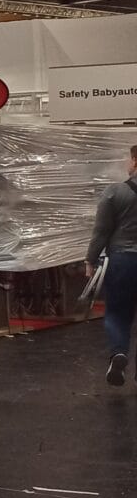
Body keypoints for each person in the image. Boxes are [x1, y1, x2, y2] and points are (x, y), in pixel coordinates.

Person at [88, 143, 137, 385]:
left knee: (117, 313)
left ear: (135, 161)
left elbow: (101, 232)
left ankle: (119, 353)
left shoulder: (115, 192)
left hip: (123, 261)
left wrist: (90, 260)